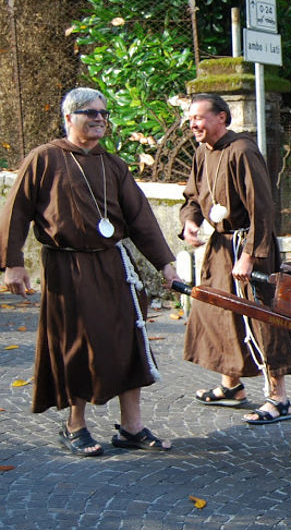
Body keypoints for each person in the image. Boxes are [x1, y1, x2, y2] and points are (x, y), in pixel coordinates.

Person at [0, 87, 178, 456]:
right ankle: (75, 424)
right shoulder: (44, 159)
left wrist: (166, 263)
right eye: (89, 113)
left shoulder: (113, 165)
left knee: (131, 340)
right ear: (69, 118)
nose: (99, 118)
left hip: (115, 264)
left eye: (103, 113)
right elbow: (15, 212)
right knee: (77, 344)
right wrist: (13, 264)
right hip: (68, 266)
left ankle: (131, 427)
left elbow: (141, 218)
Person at [179, 93, 291, 425]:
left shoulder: (243, 151)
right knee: (217, 312)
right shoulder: (202, 153)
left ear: (222, 118)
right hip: (219, 246)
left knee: (262, 318)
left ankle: (279, 398)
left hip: (250, 245)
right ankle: (231, 386)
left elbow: (263, 207)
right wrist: (190, 220)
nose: (193, 124)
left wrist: (249, 255)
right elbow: (191, 195)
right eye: (190, 119)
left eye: (199, 118)